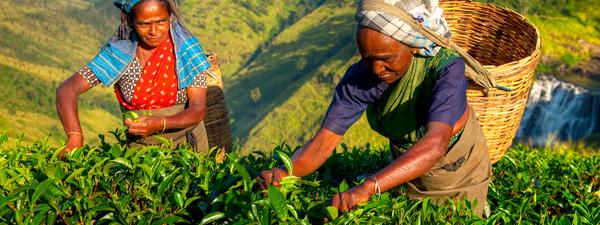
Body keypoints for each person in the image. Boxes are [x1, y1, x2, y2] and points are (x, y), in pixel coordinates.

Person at [258, 0, 491, 216]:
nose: (377, 68)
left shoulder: (446, 69)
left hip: (459, 169)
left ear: (411, 45)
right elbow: (322, 144)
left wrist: (369, 186)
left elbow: (435, 145)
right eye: (367, 58)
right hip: (407, 168)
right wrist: (285, 172)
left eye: (385, 58)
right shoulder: (361, 77)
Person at [56, 0, 212, 156]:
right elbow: (67, 90)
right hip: (140, 153)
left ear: (170, 17)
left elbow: (197, 110)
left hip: (187, 147)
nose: (154, 31)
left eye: (161, 22)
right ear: (130, 21)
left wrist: (160, 123)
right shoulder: (120, 54)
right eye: (144, 24)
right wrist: (75, 138)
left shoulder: (185, 50)